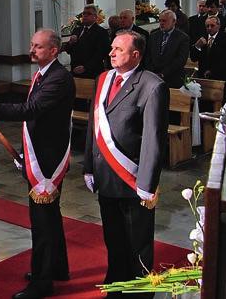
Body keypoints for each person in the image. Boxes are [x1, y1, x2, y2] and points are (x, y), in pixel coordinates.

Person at [0, 29, 74, 299]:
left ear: (54, 50)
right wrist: (23, 150)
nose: (32, 50)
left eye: (38, 47)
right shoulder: (42, 75)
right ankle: (56, 268)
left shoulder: (58, 78)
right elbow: (36, 120)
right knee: (50, 217)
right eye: (31, 45)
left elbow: (31, 110)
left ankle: (42, 282)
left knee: (41, 221)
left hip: (48, 161)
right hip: (39, 152)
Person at [84, 31, 169, 296]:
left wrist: (146, 184)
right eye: (111, 48)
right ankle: (116, 284)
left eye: (118, 50)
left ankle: (141, 292)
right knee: (114, 238)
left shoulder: (152, 85)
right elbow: (93, 128)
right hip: (106, 175)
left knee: (138, 243)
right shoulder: (103, 79)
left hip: (132, 179)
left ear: (136, 55)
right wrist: (88, 165)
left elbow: (153, 139)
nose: (111, 53)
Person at [61, 5, 110, 78]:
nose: (85, 16)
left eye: (89, 14)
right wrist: (70, 42)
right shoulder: (77, 30)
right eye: (84, 13)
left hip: (92, 72)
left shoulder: (101, 32)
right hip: (75, 70)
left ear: (95, 17)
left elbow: (101, 53)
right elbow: (68, 50)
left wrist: (86, 67)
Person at [145, 9, 190, 88]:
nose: (161, 23)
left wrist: (163, 73)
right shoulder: (153, 35)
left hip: (173, 78)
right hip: (153, 77)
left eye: (164, 21)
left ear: (174, 21)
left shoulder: (182, 38)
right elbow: (148, 55)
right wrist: (152, 72)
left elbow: (181, 60)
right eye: (160, 21)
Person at [193, 15, 226, 82]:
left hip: (220, 76)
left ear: (218, 26)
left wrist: (212, 71)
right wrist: (197, 46)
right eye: (207, 26)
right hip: (202, 76)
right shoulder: (201, 37)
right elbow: (193, 58)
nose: (209, 28)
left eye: (212, 26)